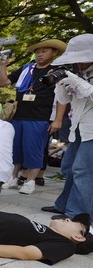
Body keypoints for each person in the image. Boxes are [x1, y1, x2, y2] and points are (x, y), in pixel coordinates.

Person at [0, 39, 67, 195]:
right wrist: (3, 64)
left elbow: (63, 96)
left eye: (44, 51)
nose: (39, 54)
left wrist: (58, 120)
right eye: (37, 51)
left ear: (54, 53)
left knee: (33, 150)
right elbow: (3, 82)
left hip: (39, 117)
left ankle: (30, 181)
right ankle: (13, 177)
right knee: (16, 149)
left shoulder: (57, 71)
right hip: (19, 115)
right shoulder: (26, 69)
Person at [44, 34, 93, 220]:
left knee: (84, 170)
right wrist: (61, 85)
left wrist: (78, 82)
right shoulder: (77, 72)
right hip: (79, 126)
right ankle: (64, 205)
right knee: (70, 166)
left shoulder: (81, 76)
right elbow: (66, 100)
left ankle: (79, 214)